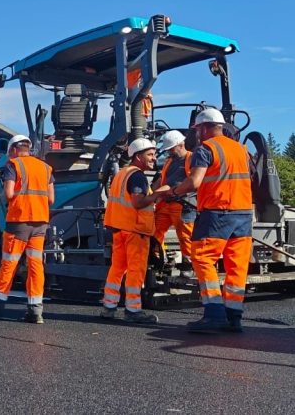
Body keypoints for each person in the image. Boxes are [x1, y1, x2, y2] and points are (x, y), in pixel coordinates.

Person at [169, 108, 254, 333]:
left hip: (217, 213)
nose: (197, 133)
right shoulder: (242, 150)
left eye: (197, 129)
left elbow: (195, 182)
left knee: (203, 258)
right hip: (243, 214)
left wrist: (175, 191)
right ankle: (233, 317)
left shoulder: (205, 149)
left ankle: (214, 314)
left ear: (204, 128)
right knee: (236, 266)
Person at [0, 134, 54, 324]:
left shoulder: (13, 165)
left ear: (13, 150)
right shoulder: (45, 168)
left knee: (9, 262)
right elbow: (51, 199)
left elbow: (9, 193)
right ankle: (35, 310)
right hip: (40, 223)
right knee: (36, 265)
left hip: (19, 221)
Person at [100, 138, 170, 324]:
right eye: (150, 154)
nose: (153, 158)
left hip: (119, 228)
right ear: (138, 156)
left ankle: (109, 306)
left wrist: (153, 190)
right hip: (135, 230)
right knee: (135, 270)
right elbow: (138, 202)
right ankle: (133, 310)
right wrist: (159, 193)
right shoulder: (137, 175)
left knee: (117, 269)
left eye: (154, 154)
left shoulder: (123, 174)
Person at [152, 130, 196, 276]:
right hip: (166, 203)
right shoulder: (169, 161)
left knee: (186, 236)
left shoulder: (191, 159)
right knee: (155, 232)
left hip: (183, 203)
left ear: (180, 144)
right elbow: (161, 180)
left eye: (171, 148)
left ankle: (188, 266)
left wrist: (152, 197)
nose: (169, 152)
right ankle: (156, 261)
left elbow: (172, 185)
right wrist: (152, 191)